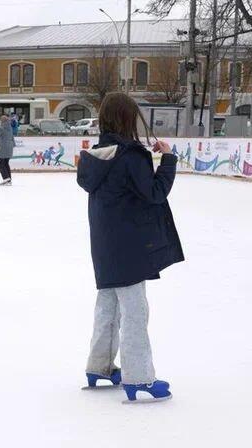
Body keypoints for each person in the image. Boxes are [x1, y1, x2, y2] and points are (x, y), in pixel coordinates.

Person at [76, 92, 183, 404]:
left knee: (108, 306)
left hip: (105, 245)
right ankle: (139, 378)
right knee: (135, 311)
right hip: (131, 245)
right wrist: (168, 159)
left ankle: (100, 367)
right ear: (127, 119)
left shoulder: (96, 154)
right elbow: (154, 193)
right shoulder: (130, 156)